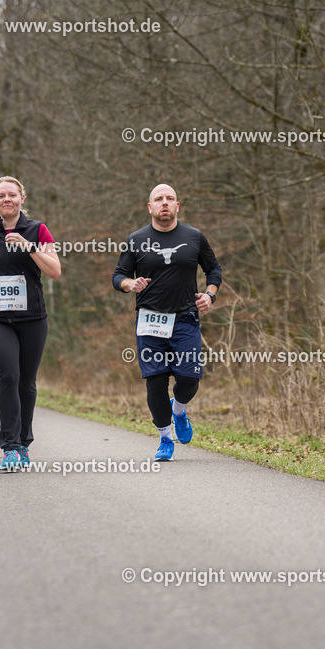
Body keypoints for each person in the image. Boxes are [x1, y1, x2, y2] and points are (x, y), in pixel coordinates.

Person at [112, 184, 223, 462]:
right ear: (150, 207)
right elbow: (118, 276)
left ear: (177, 205)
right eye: (158, 199)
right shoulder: (136, 239)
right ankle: (164, 438)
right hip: (150, 322)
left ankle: (179, 410)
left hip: (185, 318)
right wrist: (129, 283)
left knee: (189, 379)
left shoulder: (194, 237)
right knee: (155, 382)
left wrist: (210, 295)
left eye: (169, 199)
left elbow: (214, 269)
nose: (164, 203)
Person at [0, 176, 61, 472]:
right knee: (8, 374)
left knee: (27, 382)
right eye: (1, 195)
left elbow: (55, 271)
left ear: (22, 198)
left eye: (12, 194)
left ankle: (24, 442)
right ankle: (9, 447)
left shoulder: (38, 230)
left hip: (32, 317)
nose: (6, 199)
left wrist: (28, 246)